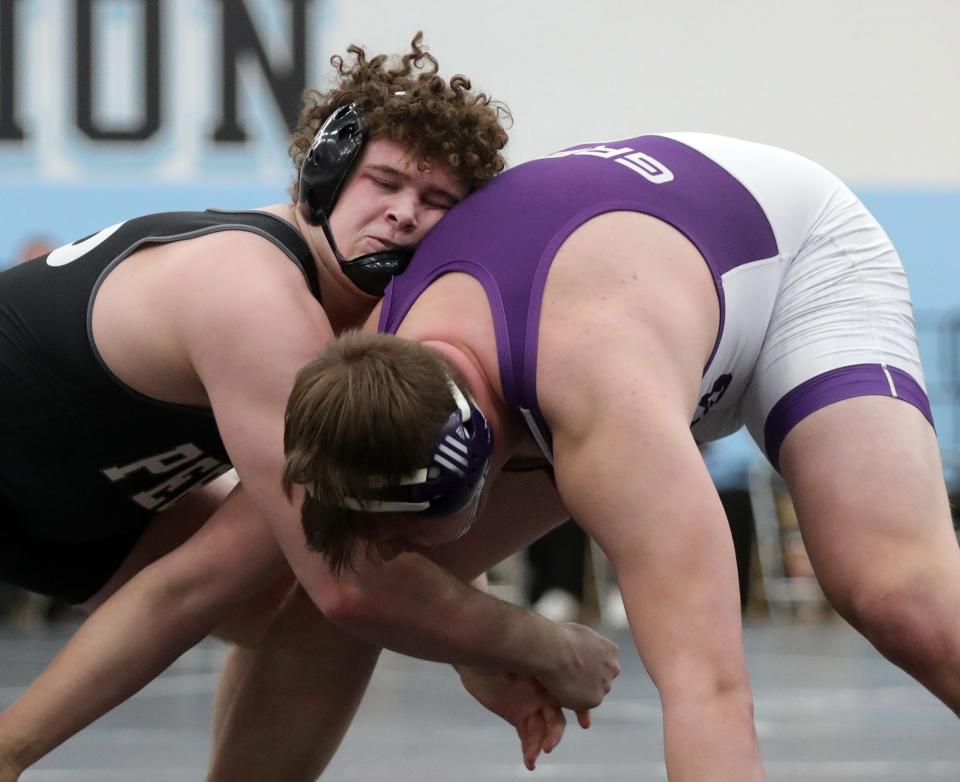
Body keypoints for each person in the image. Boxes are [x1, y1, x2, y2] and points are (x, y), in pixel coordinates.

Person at [0, 35, 620, 781]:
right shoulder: (253, 293)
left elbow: (391, 534)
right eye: (384, 183)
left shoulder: (370, 326)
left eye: (434, 202)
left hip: (80, 499)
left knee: (329, 588)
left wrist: (471, 643)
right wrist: (538, 646)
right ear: (325, 172)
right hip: (55, 483)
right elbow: (286, 583)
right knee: (346, 583)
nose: (402, 216)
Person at [283, 131, 960, 780]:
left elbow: (711, 693)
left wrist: (484, 639)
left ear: (478, 467)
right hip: (621, 287)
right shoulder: (369, 368)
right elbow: (368, 574)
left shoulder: (603, 406)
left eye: (403, 527)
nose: (394, 546)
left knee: (892, 590)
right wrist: (478, 650)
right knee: (350, 592)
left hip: (792, 259)